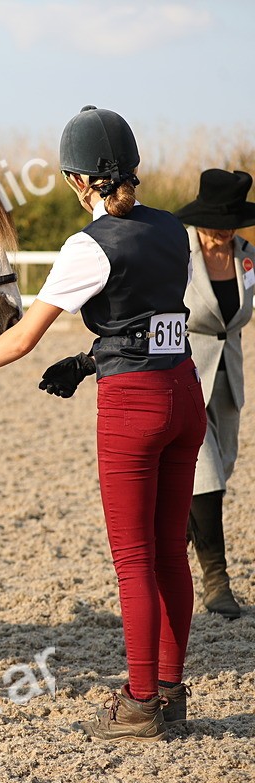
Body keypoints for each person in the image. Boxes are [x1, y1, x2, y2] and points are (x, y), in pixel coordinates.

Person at [0, 106, 206, 742]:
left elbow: (22, 338)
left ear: (79, 181)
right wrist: (88, 358)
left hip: (133, 406)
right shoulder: (173, 231)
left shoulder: (88, 245)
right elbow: (152, 320)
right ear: (133, 167)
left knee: (132, 560)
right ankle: (169, 690)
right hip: (185, 395)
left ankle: (137, 704)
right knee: (167, 555)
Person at [175, 169, 255, 620]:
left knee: (218, 470)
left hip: (229, 380)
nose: (223, 232)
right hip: (185, 373)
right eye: (216, 222)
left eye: (231, 222)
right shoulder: (178, 251)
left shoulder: (248, 258)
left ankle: (166, 549)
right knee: (207, 479)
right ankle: (216, 582)